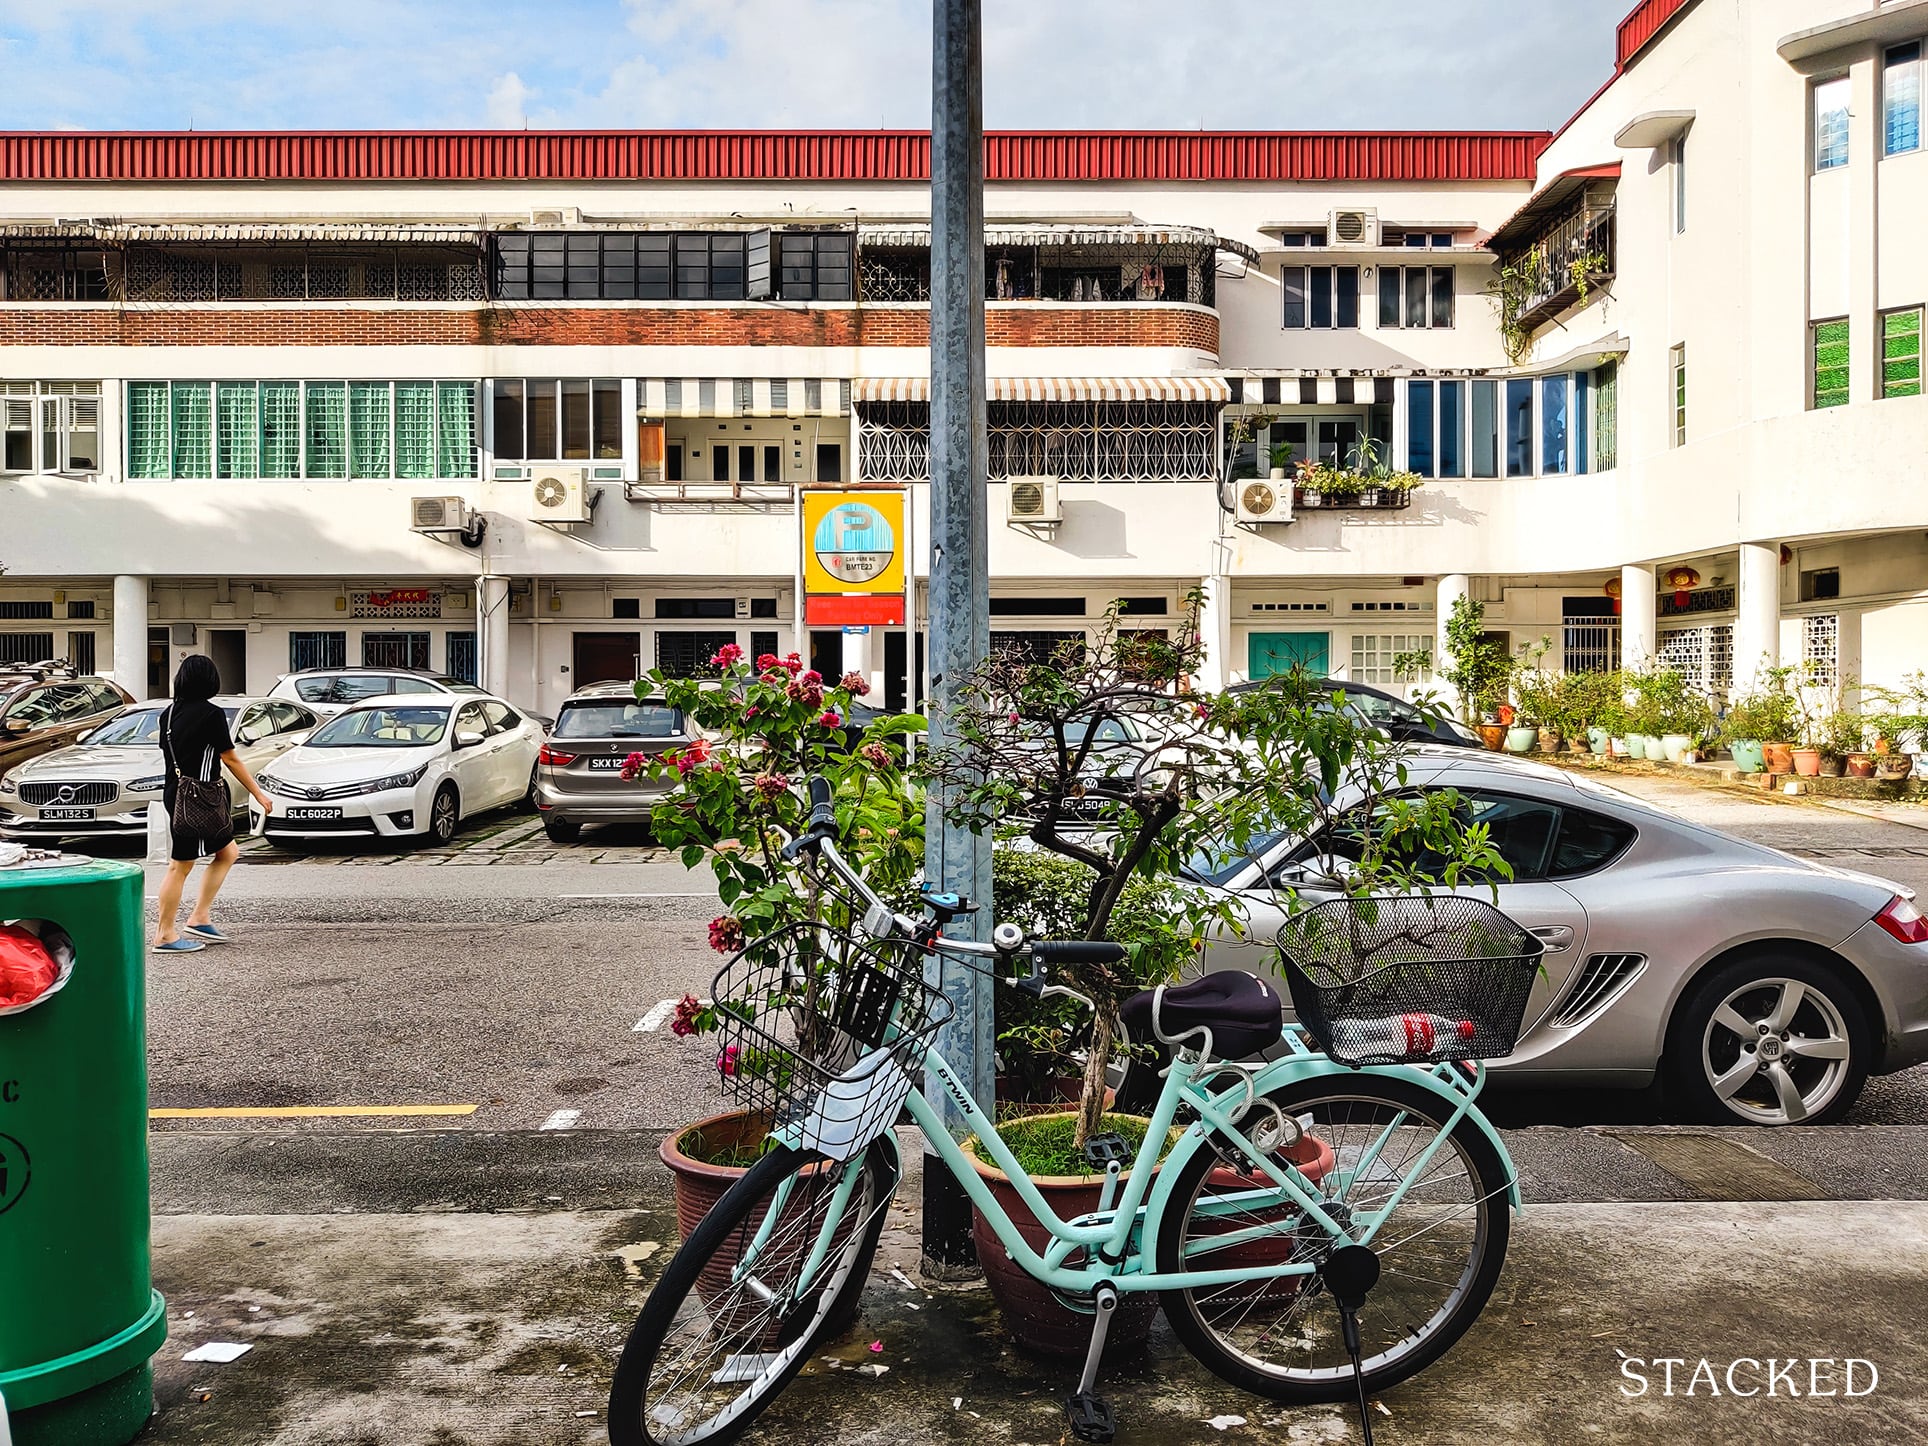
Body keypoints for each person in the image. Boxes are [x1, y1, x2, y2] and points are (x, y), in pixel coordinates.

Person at [153, 655, 274, 953]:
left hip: (176, 793)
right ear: (209, 680)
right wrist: (258, 793)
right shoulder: (211, 714)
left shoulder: (167, 714)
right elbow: (230, 757)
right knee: (179, 866)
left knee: (228, 852)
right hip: (199, 797)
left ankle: (199, 917)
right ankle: (164, 935)